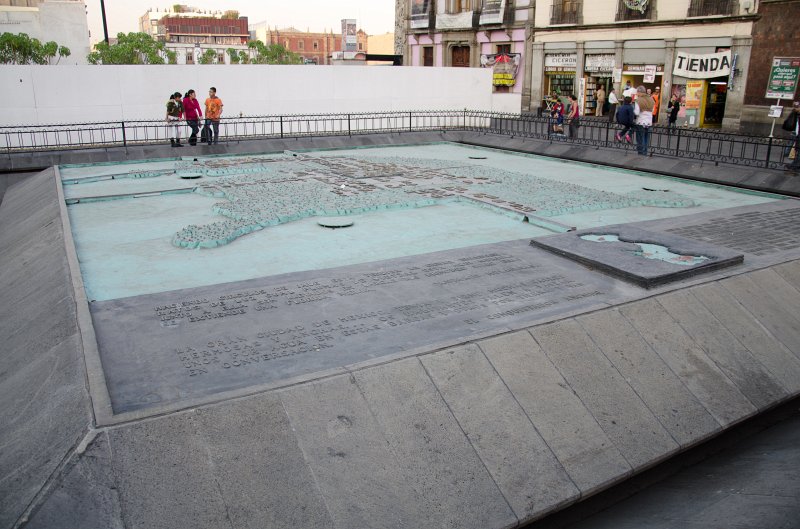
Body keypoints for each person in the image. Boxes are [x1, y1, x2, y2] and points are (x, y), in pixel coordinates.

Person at [633, 85, 655, 155]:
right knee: (646, 137)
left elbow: (636, 112)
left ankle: (641, 152)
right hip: (649, 122)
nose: (637, 94)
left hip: (641, 121)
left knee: (640, 138)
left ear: (640, 92)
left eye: (637, 92)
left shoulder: (638, 100)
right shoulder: (651, 99)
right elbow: (653, 110)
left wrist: (632, 111)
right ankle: (645, 151)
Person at [783, 101, 800, 172]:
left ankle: (795, 165)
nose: (795, 109)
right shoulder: (797, 114)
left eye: (797, 107)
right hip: (798, 134)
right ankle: (795, 165)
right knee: (798, 150)